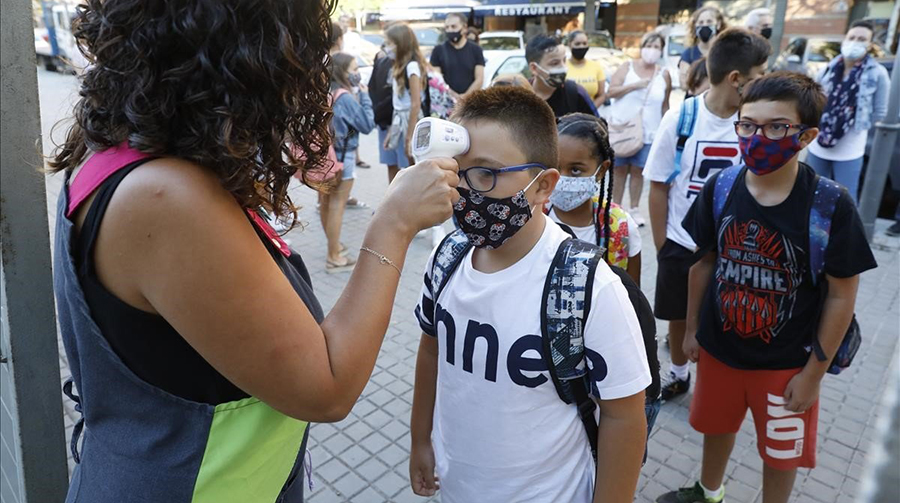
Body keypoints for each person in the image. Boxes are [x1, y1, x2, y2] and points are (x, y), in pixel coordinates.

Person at [47, 2, 459, 501]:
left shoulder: (127, 156)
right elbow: (327, 389)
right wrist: (393, 222)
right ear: (242, 59)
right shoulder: (165, 197)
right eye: (294, 57)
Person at [409, 87, 650, 502]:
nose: (467, 192)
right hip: (457, 485)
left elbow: (624, 415)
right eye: (457, 172)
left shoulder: (590, 286)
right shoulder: (446, 256)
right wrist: (420, 441)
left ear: (543, 187)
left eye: (487, 174)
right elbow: (431, 350)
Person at [658, 72, 877, 503]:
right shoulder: (722, 187)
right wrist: (689, 332)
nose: (758, 137)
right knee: (716, 427)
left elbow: (841, 294)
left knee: (781, 451)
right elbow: (703, 264)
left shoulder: (830, 204)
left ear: (806, 135)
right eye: (747, 124)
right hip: (721, 349)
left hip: (787, 364)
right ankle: (709, 490)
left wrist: (813, 374)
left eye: (776, 127)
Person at [645, 28, 769, 401]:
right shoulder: (682, 118)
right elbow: (657, 185)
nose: (763, 81)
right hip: (682, 242)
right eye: (760, 74)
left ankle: (719, 382)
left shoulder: (755, 122)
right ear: (737, 79)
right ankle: (680, 373)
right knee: (679, 315)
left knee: (725, 316)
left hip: (734, 247)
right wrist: (663, 245)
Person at [549, 113, 642, 284]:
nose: (562, 179)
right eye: (555, 167)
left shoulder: (621, 228)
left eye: (575, 170)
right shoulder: (530, 219)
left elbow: (633, 298)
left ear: (601, 170)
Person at [807, 20, 890, 205]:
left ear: (869, 45)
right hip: (819, 143)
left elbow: (880, 111)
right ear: (845, 39)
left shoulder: (878, 73)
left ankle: (842, 235)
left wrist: (856, 126)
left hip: (850, 148)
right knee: (812, 194)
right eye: (852, 37)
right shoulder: (827, 69)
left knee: (846, 199)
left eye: (862, 39)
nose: (855, 42)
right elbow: (813, 100)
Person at [606, 31, 672, 226]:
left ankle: (634, 209)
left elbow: (665, 105)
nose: (652, 51)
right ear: (642, 47)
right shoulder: (627, 67)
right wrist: (635, 86)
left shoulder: (664, 74)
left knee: (638, 171)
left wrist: (666, 130)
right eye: (649, 46)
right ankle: (615, 208)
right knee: (618, 171)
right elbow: (611, 92)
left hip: (649, 133)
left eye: (656, 47)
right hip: (623, 130)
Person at [319, 53, 375, 272]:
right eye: (353, 68)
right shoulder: (345, 97)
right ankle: (333, 256)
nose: (357, 72)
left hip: (325, 156)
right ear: (342, 71)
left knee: (326, 201)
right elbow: (367, 124)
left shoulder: (325, 93)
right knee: (337, 204)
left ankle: (334, 246)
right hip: (343, 157)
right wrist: (366, 97)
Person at [383, 23, 428, 181]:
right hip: (400, 118)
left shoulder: (412, 66)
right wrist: (391, 132)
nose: (387, 47)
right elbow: (398, 103)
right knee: (407, 163)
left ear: (400, 43)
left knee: (413, 162)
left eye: (389, 43)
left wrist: (409, 137)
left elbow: (415, 103)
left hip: (411, 120)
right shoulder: (399, 66)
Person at [527, 34, 598, 118]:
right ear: (534, 68)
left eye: (564, 60)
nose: (563, 67)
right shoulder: (520, 96)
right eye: (554, 63)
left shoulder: (575, 93)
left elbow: (598, 128)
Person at [430, 13, 485, 100]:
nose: (450, 30)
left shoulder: (476, 50)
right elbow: (438, 80)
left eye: (453, 27)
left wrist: (464, 97)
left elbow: (479, 79)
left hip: (470, 103)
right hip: (447, 102)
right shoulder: (438, 50)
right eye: (447, 27)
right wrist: (454, 96)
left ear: (464, 28)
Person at [679, 6, 728, 94]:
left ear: (718, 24)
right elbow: (684, 84)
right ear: (695, 26)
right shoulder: (689, 53)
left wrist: (697, 81)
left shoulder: (727, 51)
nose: (705, 25)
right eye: (701, 22)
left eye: (709, 21)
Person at [370, 44, 399, 182]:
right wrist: (378, 113)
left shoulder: (410, 66)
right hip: (385, 121)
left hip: (403, 125)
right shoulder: (382, 63)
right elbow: (373, 89)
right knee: (391, 163)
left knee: (407, 167)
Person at [566, 30, 608, 108]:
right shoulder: (563, 67)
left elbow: (601, 95)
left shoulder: (596, 67)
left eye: (584, 43)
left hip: (589, 116)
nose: (581, 47)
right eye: (577, 44)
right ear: (569, 45)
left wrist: (590, 109)